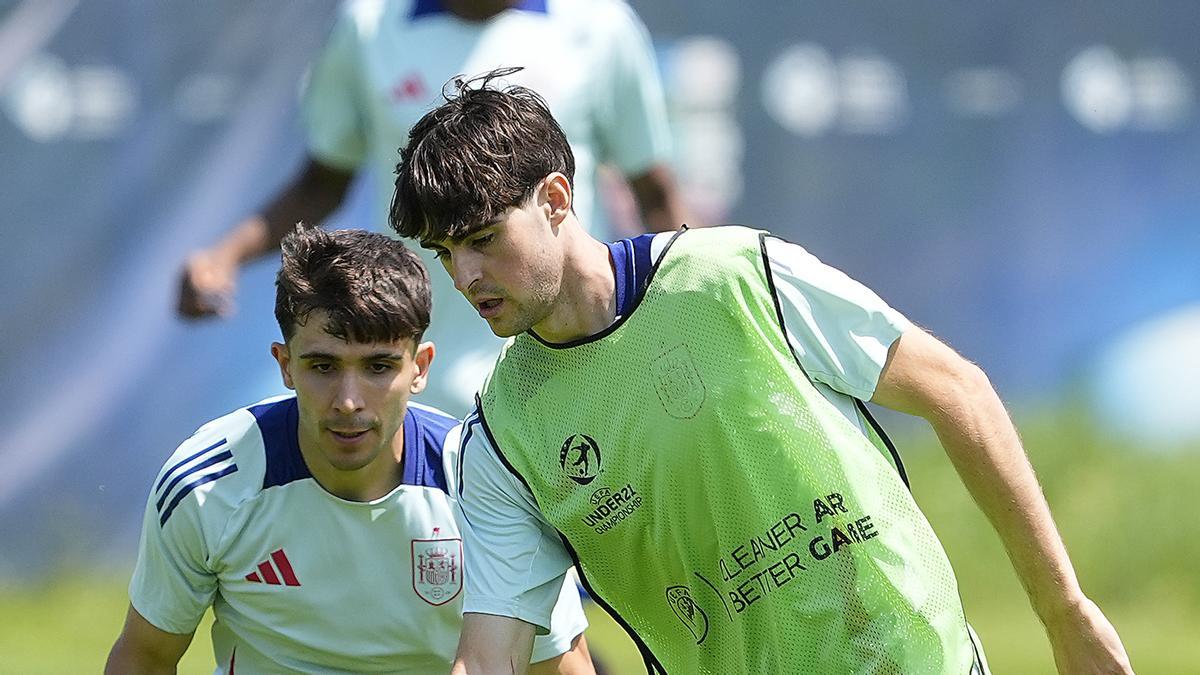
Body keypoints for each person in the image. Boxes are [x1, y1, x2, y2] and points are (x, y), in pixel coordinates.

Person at [389, 74, 1136, 674]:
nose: (466, 275)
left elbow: (957, 391)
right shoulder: (502, 438)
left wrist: (1064, 609)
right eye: (445, 252)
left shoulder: (736, 274)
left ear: (555, 199)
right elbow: (491, 654)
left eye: (483, 239)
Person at [106, 226, 594, 673]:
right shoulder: (208, 484)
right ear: (285, 365)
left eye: (379, 367)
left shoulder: (491, 485)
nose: (347, 401)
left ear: (420, 368)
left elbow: (562, 667)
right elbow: (144, 657)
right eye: (322, 366)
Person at [178, 0, 688, 416]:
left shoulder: (600, 24)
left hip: (570, 365)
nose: (465, 271)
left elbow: (654, 193)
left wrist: (686, 318)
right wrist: (225, 256)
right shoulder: (368, 26)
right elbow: (321, 182)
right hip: (417, 374)